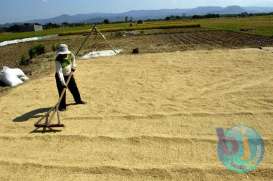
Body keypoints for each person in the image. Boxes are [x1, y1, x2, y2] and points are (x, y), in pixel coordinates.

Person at [55, 44, 86, 111]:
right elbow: (59, 72)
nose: (64, 55)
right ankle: (62, 106)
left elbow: (73, 59)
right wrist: (63, 82)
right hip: (60, 77)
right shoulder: (58, 60)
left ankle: (78, 100)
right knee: (62, 91)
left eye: (65, 53)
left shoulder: (70, 54)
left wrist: (74, 66)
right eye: (63, 54)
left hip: (69, 74)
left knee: (74, 88)